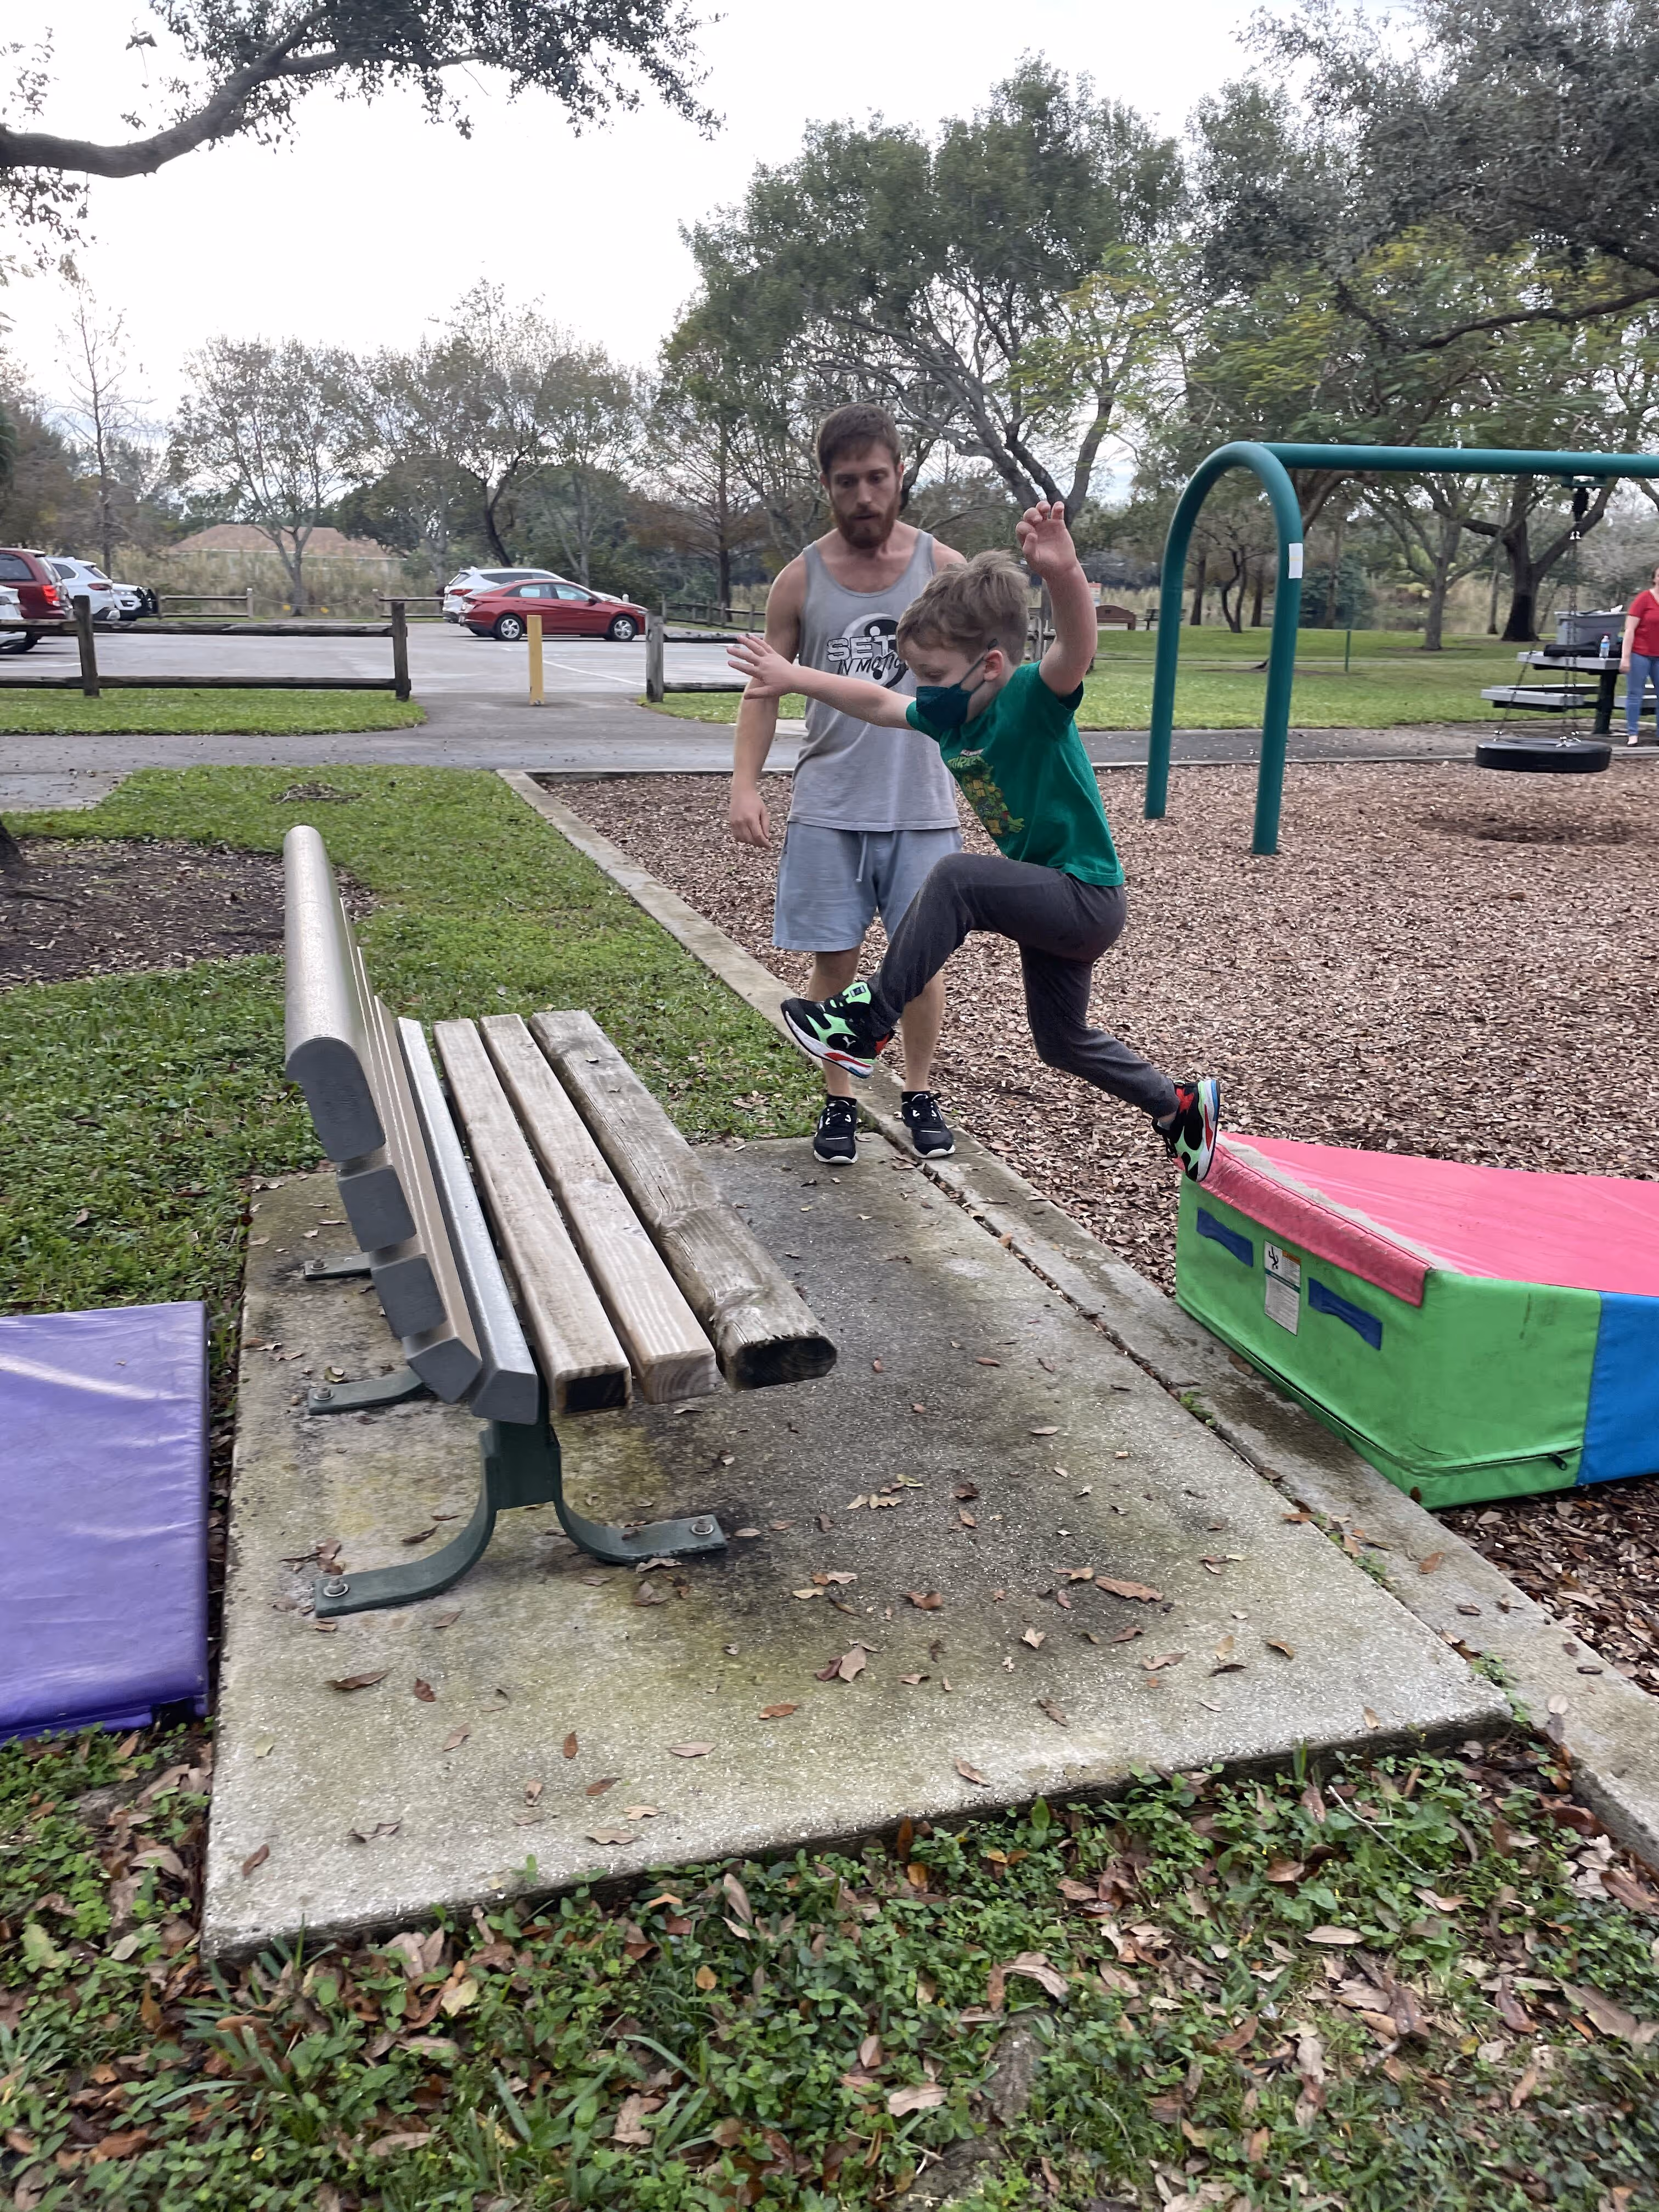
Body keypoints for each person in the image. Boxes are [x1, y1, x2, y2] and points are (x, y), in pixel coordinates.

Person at [727, 503, 1222, 1184]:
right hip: (1051, 905)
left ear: (989, 665)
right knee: (1061, 1041)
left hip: (1085, 895)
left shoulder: (1031, 699)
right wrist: (792, 676)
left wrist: (1065, 571)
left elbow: (1078, 648)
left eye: (932, 675)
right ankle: (1178, 1107)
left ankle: (867, 1022)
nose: (921, 692)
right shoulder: (953, 718)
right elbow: (873, 700)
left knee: (956, 877)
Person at [727, 403, 966, 1165]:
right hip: (830, 805)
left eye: (876, 478)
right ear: (826, 486)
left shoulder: (946, 570)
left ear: (900, 476)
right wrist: (744, 784)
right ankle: (840, 1101)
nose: (864, 496)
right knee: (834, 959)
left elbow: (992, 683)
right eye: (846, 482)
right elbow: (762, 690)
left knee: (918, 963)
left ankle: (919, 1091)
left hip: (921, 807)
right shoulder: (801, 580)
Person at [1620, 565, 1659, 746]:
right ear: (1654, 578)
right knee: (1635, 694)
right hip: (1640, 654)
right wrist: (1626, 657)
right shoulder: (1644, 599)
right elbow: (1630, 629)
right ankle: (1633, 734)